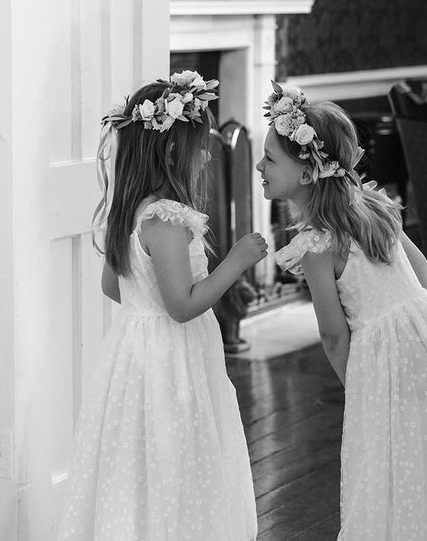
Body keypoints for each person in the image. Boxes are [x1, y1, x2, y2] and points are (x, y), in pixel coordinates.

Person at [258, 81, 427, 540]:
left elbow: (334, 335)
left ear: (305, 173)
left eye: (270, 159)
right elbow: (420, 267)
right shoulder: (372, 205)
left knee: (385, 460)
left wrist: (359, 387)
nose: (259, 165)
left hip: (382, 359)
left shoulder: (319, 244)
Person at [57, 72, 263, 540]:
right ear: (173, 154)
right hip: (171, 360)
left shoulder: (129, 212)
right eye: (200, 147)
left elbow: (114, 286)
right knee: (174, 452)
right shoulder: (166, 219)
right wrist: (236, 262)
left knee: (137, 458)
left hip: (134, 357)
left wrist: (143, 304)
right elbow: (182, 307)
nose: (207, 155)